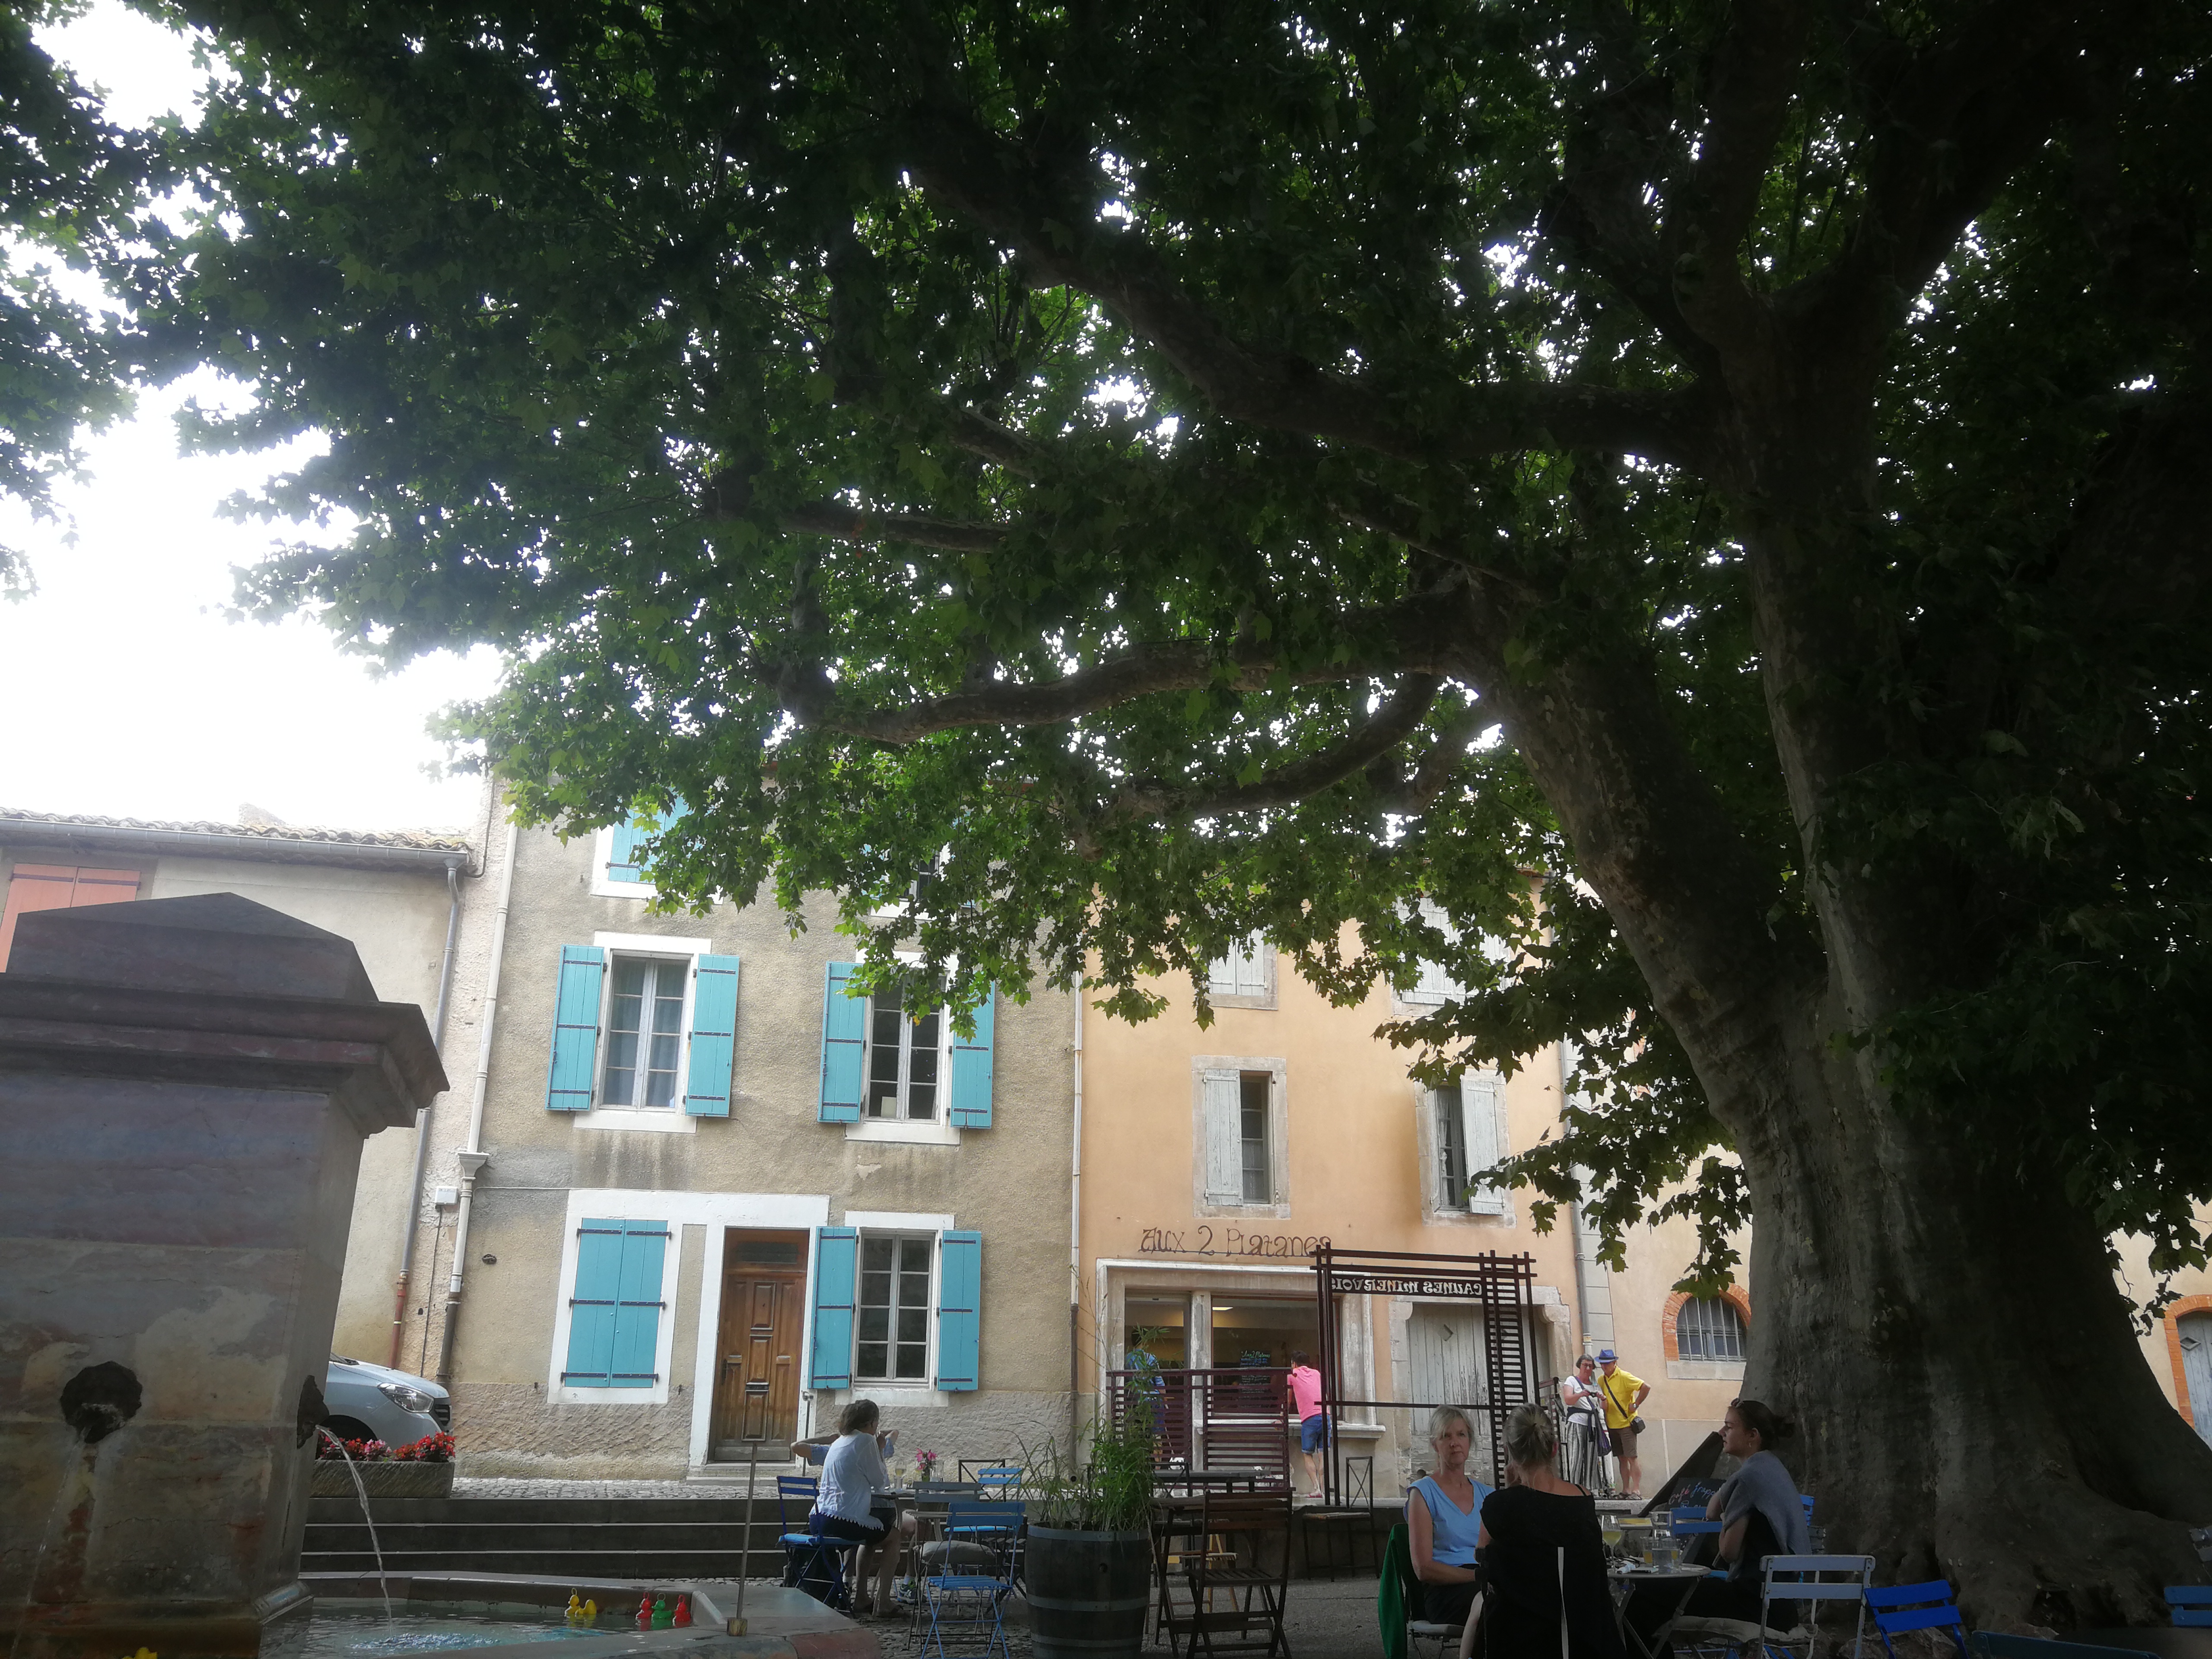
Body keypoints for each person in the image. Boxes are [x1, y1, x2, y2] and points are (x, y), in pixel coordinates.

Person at [1626, 1399, 1809, 1653]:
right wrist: (1726, 1499)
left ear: (1752, 1436)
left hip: (1756, 1603)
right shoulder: (1770, 1468)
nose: (1722, 1432)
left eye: (1729, 1427)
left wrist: (1726, 1517)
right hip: (1782, 1604)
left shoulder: (1749, 1479)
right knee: (1649, 1601)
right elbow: (1713, 1508)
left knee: (1641, 1592)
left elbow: (1728, 1552)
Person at [1477, 1405, 1625, 1659]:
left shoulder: (1498, 1507)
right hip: (1586, 1638)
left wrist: (1510, 1491)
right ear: (1555, 1449)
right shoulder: (1583, 1499)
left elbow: (1483, 1562)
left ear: (1509, 1452)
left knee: (1477, 1607)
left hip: (1520, 1640)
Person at [789, 1400, 916, 1618]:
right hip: (842, 1519)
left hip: (819, 1518)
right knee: (893, 1537)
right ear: (872, 1422)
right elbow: (880, 1482)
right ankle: (883, 1602)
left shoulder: (841, 1441)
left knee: (872, 1536)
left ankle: (862, 1598)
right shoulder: (866, 1440)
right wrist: (880, 1450)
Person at [1406, 1405, 1492, 1640]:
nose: (1455, 1443)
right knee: (1496, 1604)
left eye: (1461, 1435)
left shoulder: (1488, 1495)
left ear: (1470, 1441)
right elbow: (1423, 1569)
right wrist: (1479, 1577)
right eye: (1446, 1436)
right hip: (1446, 1591)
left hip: (1485, 1581)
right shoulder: (1423, 1493)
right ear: (1435, 1444)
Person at [1595, 1349, 1650, 1498]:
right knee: (1621, 1458)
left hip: (1627, 1424)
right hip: (1612, 1425)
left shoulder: (1624, 1376)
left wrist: (1636, 1405)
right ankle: (1626, 1490)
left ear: (1615, 1363)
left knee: (1632, 1457)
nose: (1604, 1366)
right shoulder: (1601, 1380)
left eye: (1607, 1363)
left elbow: (1646, 1387)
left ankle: (1636, 1490)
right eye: (1602, 1364)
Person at [1288, 1350, 1329, 1499]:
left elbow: (1288, 1399)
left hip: (1310, 1418)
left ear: (1294, 1364)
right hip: (1325, 1416)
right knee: (1323, 1455)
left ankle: (1317, 1489)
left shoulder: (1292, 1375)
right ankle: (1325, 1492)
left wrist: (1282, 1415)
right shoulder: (1317, 1374)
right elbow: (1323, 1394)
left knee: (1307, 1454)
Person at [1560, 1356, 1606, 1490]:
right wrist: (1580, 1394)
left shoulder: (1595, 1385)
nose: (1587, 1368)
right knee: (1575, 1457)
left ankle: (1590, 1490)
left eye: (1590, 1366)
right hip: (1576, 1422)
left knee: (1592, 1459)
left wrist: (1603, 1399)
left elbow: (1604, 1407)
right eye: (1585, 1365)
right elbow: (1568, 1400)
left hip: (1593, 1425)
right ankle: (1574, 1488)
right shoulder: (1572, 1380)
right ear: (1579, 1366)